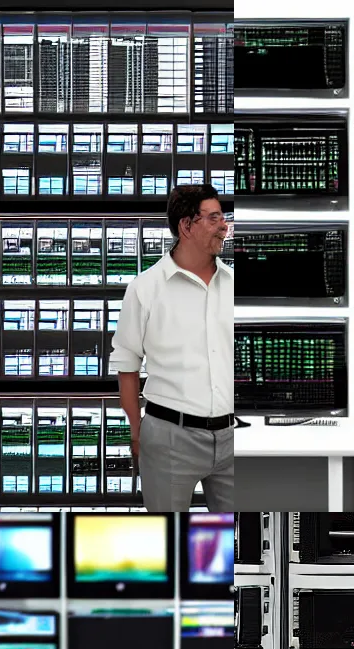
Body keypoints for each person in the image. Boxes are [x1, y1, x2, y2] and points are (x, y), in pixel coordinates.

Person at [111, 184, 233, 512]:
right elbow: (127, 364)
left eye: (224, 218)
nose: (224, 226)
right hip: (168, 439)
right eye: (214, 218)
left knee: (238, 544)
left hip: (233, 437)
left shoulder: (235, 286)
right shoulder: (145, 289)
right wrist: (137, 430)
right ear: (186, 226)